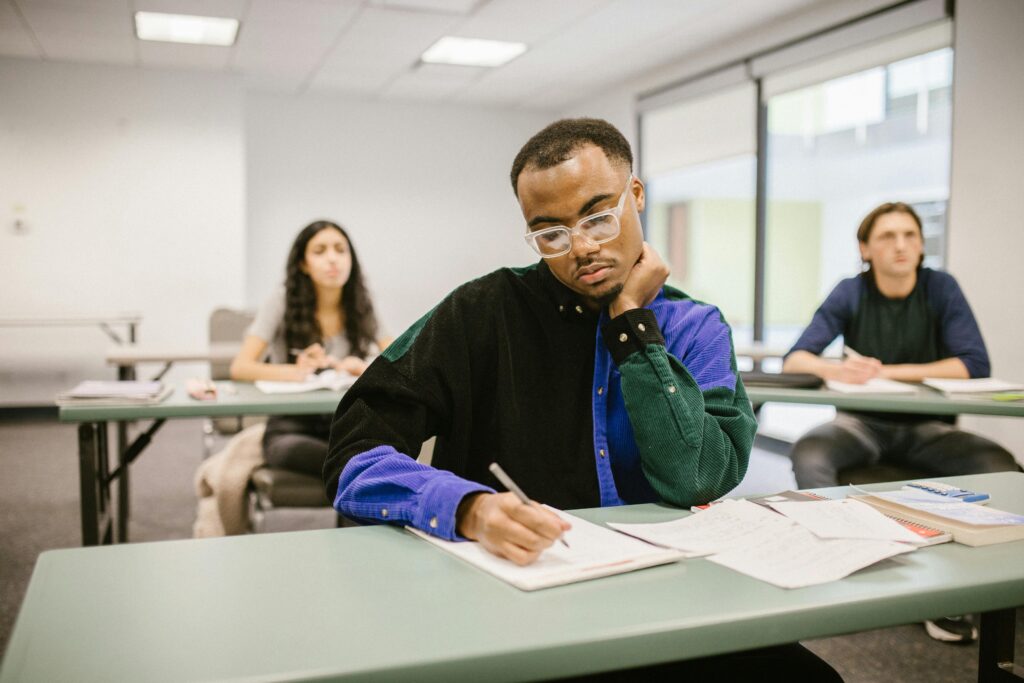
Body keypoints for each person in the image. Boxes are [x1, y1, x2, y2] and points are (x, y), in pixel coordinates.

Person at [324, 118, 841, 681]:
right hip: (516, 599)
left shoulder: (694, 327)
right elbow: (355, 451)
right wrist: (467, 508)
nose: (583, 248)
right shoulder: (479, 314)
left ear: (636, 195)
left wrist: (634, 331)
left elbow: (699, 476)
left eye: (599, 216)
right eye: (551, 234)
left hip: (666, 600)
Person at [782, 201, 1018, 644]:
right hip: (860, 424)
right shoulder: (850, 291)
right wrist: (836, 369)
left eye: (910, 235)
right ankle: (835, 565)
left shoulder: (941, 288)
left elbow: (973, 364)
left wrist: (885, 371)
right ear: (865, 248)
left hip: (928, 427)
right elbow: (796, 358)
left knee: (1000, 464)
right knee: (810, 452)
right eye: (888, 236)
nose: (902, 245)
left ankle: (966, 593)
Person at [231, 220, 391, 478]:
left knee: (363, 460)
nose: (333, 259)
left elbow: (399, 361)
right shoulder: (281, 300)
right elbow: (241, 367)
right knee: (357, 466)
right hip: (290, 429)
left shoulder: (361, 304)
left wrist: (365, 368)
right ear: (303, 264)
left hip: (345, 426)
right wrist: (294, 371)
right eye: (320, 251)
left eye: (341, 250)